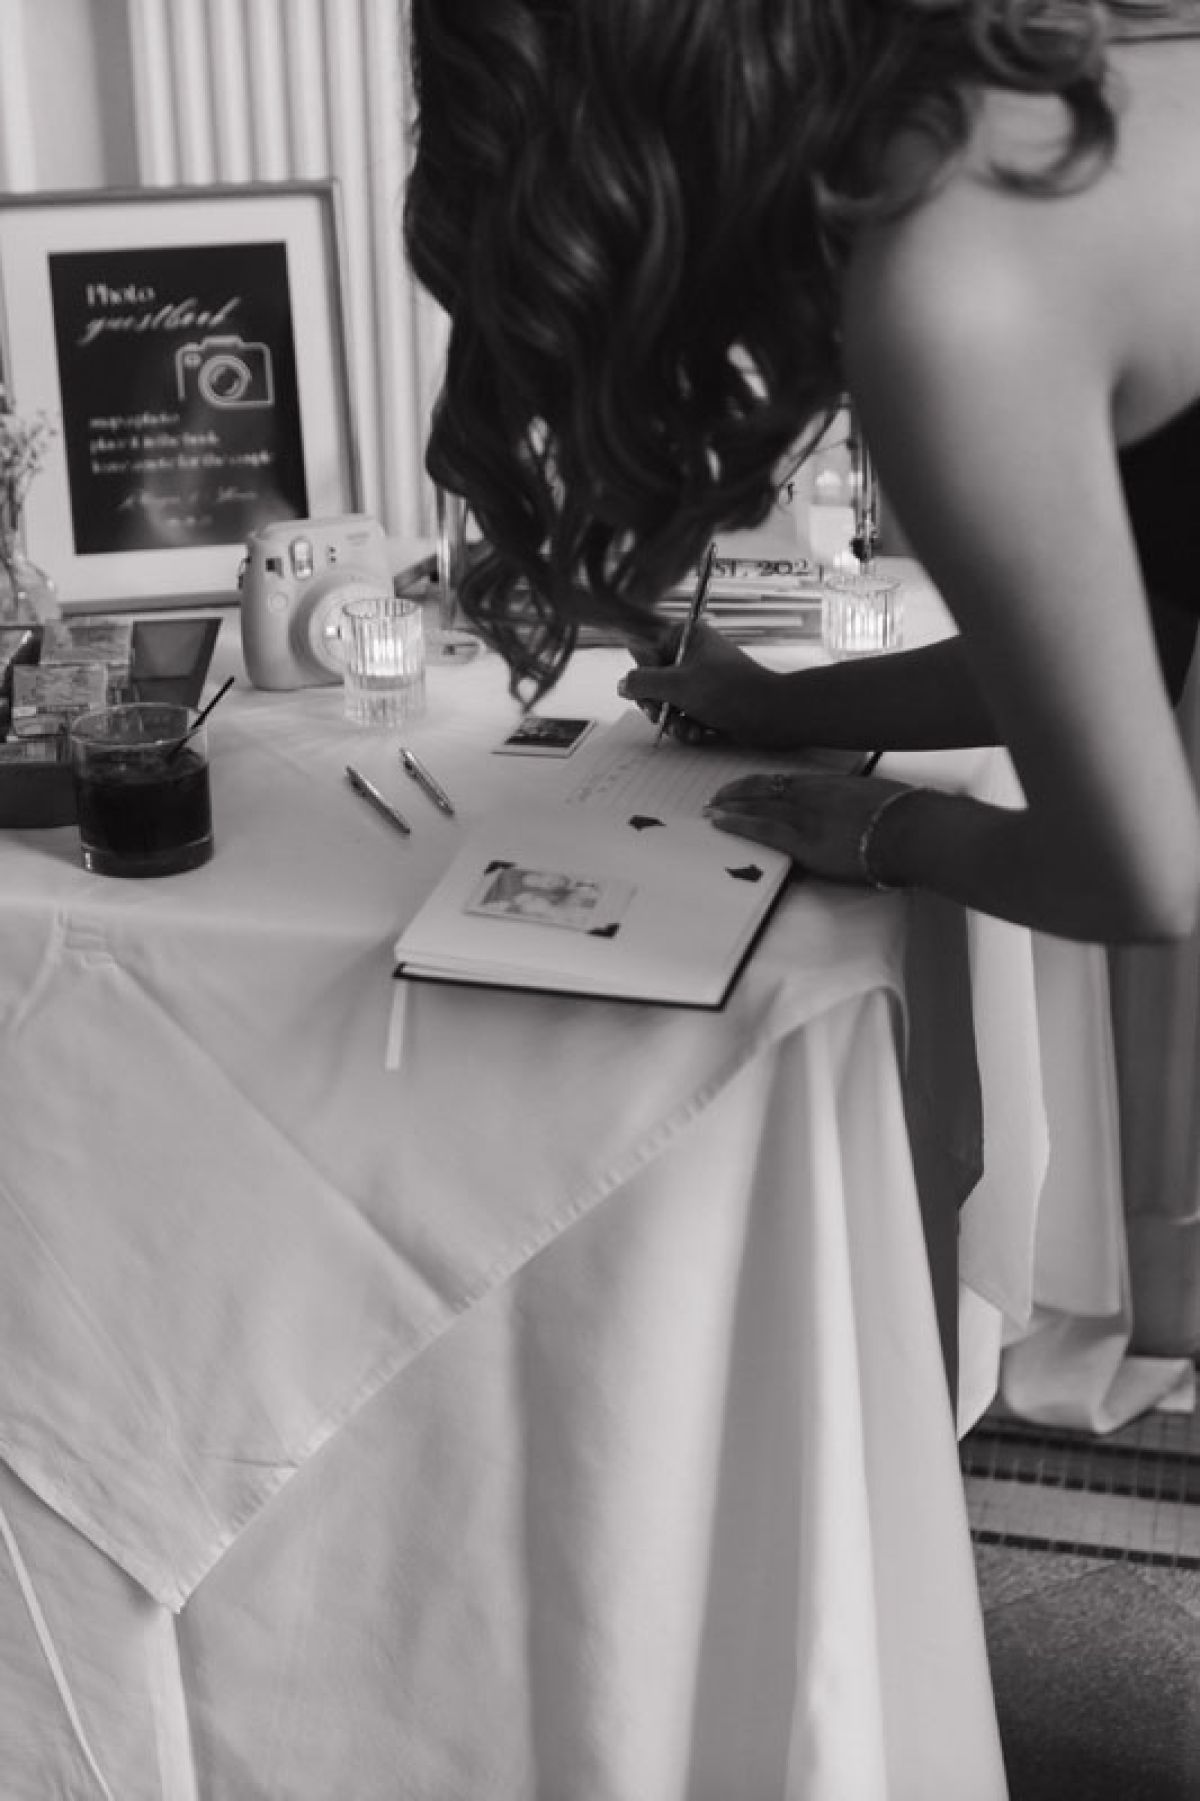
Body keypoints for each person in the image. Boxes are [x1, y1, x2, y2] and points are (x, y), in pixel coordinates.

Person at [403, 0, 1200, 948]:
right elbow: (1139, 641)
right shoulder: (1064, 81)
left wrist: (885, 829)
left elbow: (1134, 881)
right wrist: (777, 706)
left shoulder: (945, 277)